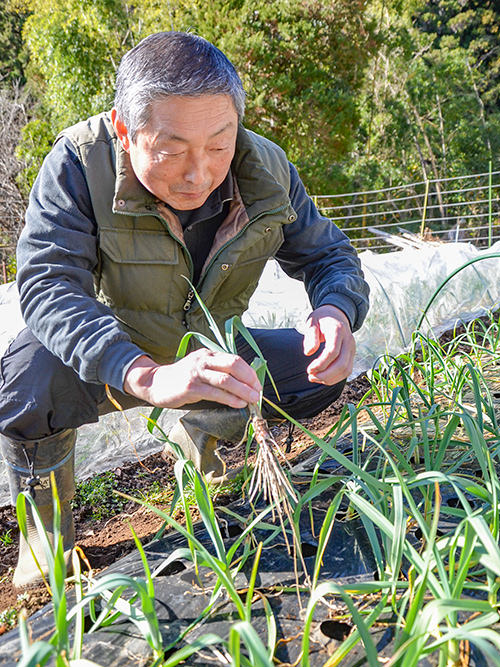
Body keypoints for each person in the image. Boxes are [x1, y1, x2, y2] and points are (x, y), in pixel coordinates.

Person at [0, 31, 369, 587]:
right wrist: (146, 374)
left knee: (310, 371)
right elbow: (50, 284)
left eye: (218, 147)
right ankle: (47, 532)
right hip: (118, 352)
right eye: (171, 152)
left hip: (210, 345)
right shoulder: (81, 164)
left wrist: (336, 312)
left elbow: (329, 255)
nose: (198, 173)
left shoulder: (265, 167)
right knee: (28, 378)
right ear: (126, 134)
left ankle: (202, 430)